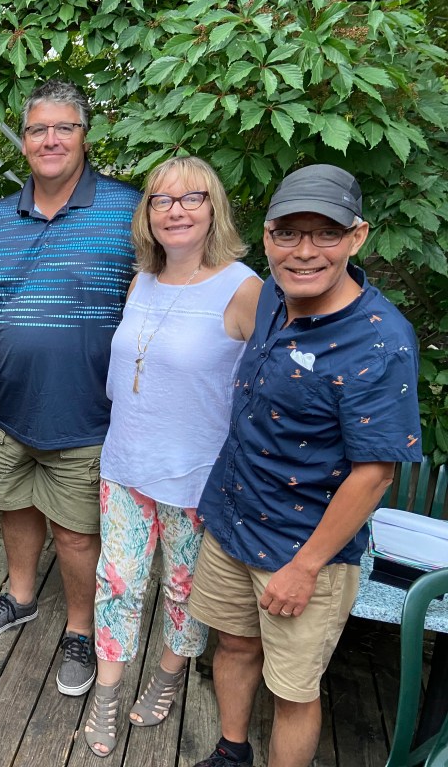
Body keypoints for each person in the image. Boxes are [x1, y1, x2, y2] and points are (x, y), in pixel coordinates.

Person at [188, 164, 422, 767]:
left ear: (357, 236)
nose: (305, 251)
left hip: (304, 547)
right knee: (233, 647)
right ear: (267, 237)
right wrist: (217, 508)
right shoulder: (270, 294)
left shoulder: (379, 342)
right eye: (289, 233)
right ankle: (231, 751)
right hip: (232, 520)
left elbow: (376, 473)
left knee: (293, 690)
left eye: (325, 234)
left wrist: (305, 566)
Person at [0, 79, 141, 697]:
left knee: (74, 531)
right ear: (25, 142)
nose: (50, 139)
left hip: (87, 412)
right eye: (38, 129)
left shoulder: (127, 212)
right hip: (9, 408)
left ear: (85, 137)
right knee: (12, 507)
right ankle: (19, 595)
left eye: (64, 127)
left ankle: (81, 630)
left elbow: (161, 300)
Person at [83, 157, 262, 757]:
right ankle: (108, 691)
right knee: (119, 582)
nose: (176, 210)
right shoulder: (142, 280)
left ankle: (167, 674)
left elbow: (262, 398)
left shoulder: (244, 290)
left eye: (191, 198)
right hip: (127, 463)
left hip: (197, 479)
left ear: (214, 208)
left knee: (184, 589)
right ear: (148, 215)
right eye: (161, 200)